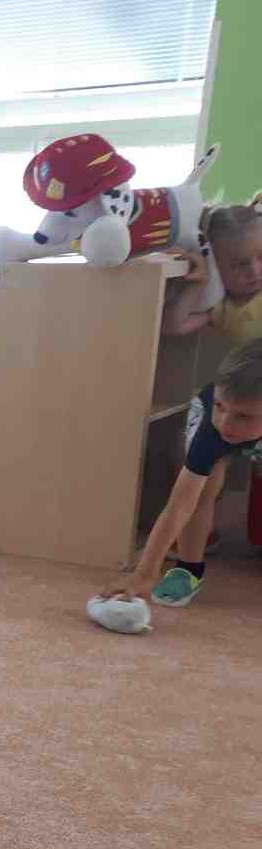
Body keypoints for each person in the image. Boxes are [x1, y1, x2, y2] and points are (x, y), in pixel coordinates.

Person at [152, 199, 262, 603]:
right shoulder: (223, 308)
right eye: (238, 264)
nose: (254, 271)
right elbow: (175, 324)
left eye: (260, 258)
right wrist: (199, 280)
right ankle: (189, 567)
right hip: (232, 401)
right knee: (198, 485)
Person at [101, 338, 262, 608]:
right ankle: (188, 570)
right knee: (201, 492)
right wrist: (144, 574)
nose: (225, 423)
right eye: (221, 406)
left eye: (243, 416)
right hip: (208, 431)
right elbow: (180, 505)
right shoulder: (213, 425)